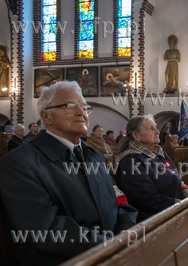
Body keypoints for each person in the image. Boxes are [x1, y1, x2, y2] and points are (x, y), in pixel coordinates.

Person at [0, 81, 138, 265]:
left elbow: (118, 199)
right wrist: (111, 248)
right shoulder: (20, 163)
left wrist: (128, 235)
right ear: (46, 116)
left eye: (85, 107)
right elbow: (46, 229)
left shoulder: (94, 156)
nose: (81, 112)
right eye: (70, 106)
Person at [114, 115, 188, 221]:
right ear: (136, 135)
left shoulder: (159, 152)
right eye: (151, 128)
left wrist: (184, 190)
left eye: (156, 127)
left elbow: (174, 173)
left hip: (173, 209)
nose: (157, 131)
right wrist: (181, 205)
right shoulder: (130, 161)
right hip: (154, 219)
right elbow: (147, 200)